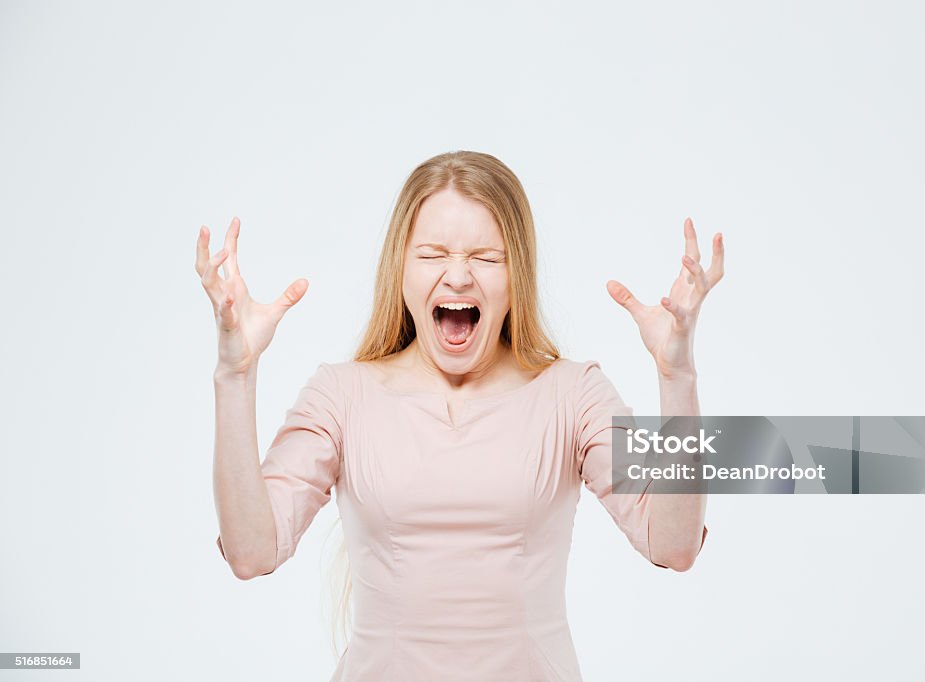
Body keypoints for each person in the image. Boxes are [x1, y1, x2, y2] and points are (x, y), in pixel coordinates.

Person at [197, 150, 724, 681]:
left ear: (517, 272)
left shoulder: (572, 393)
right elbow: (251, 552)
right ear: (400, 269)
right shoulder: (341, 395)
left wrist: (676, 377)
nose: (458, 276)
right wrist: (235, 375)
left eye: (486, 257)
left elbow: (673, 544)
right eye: (433, 254)